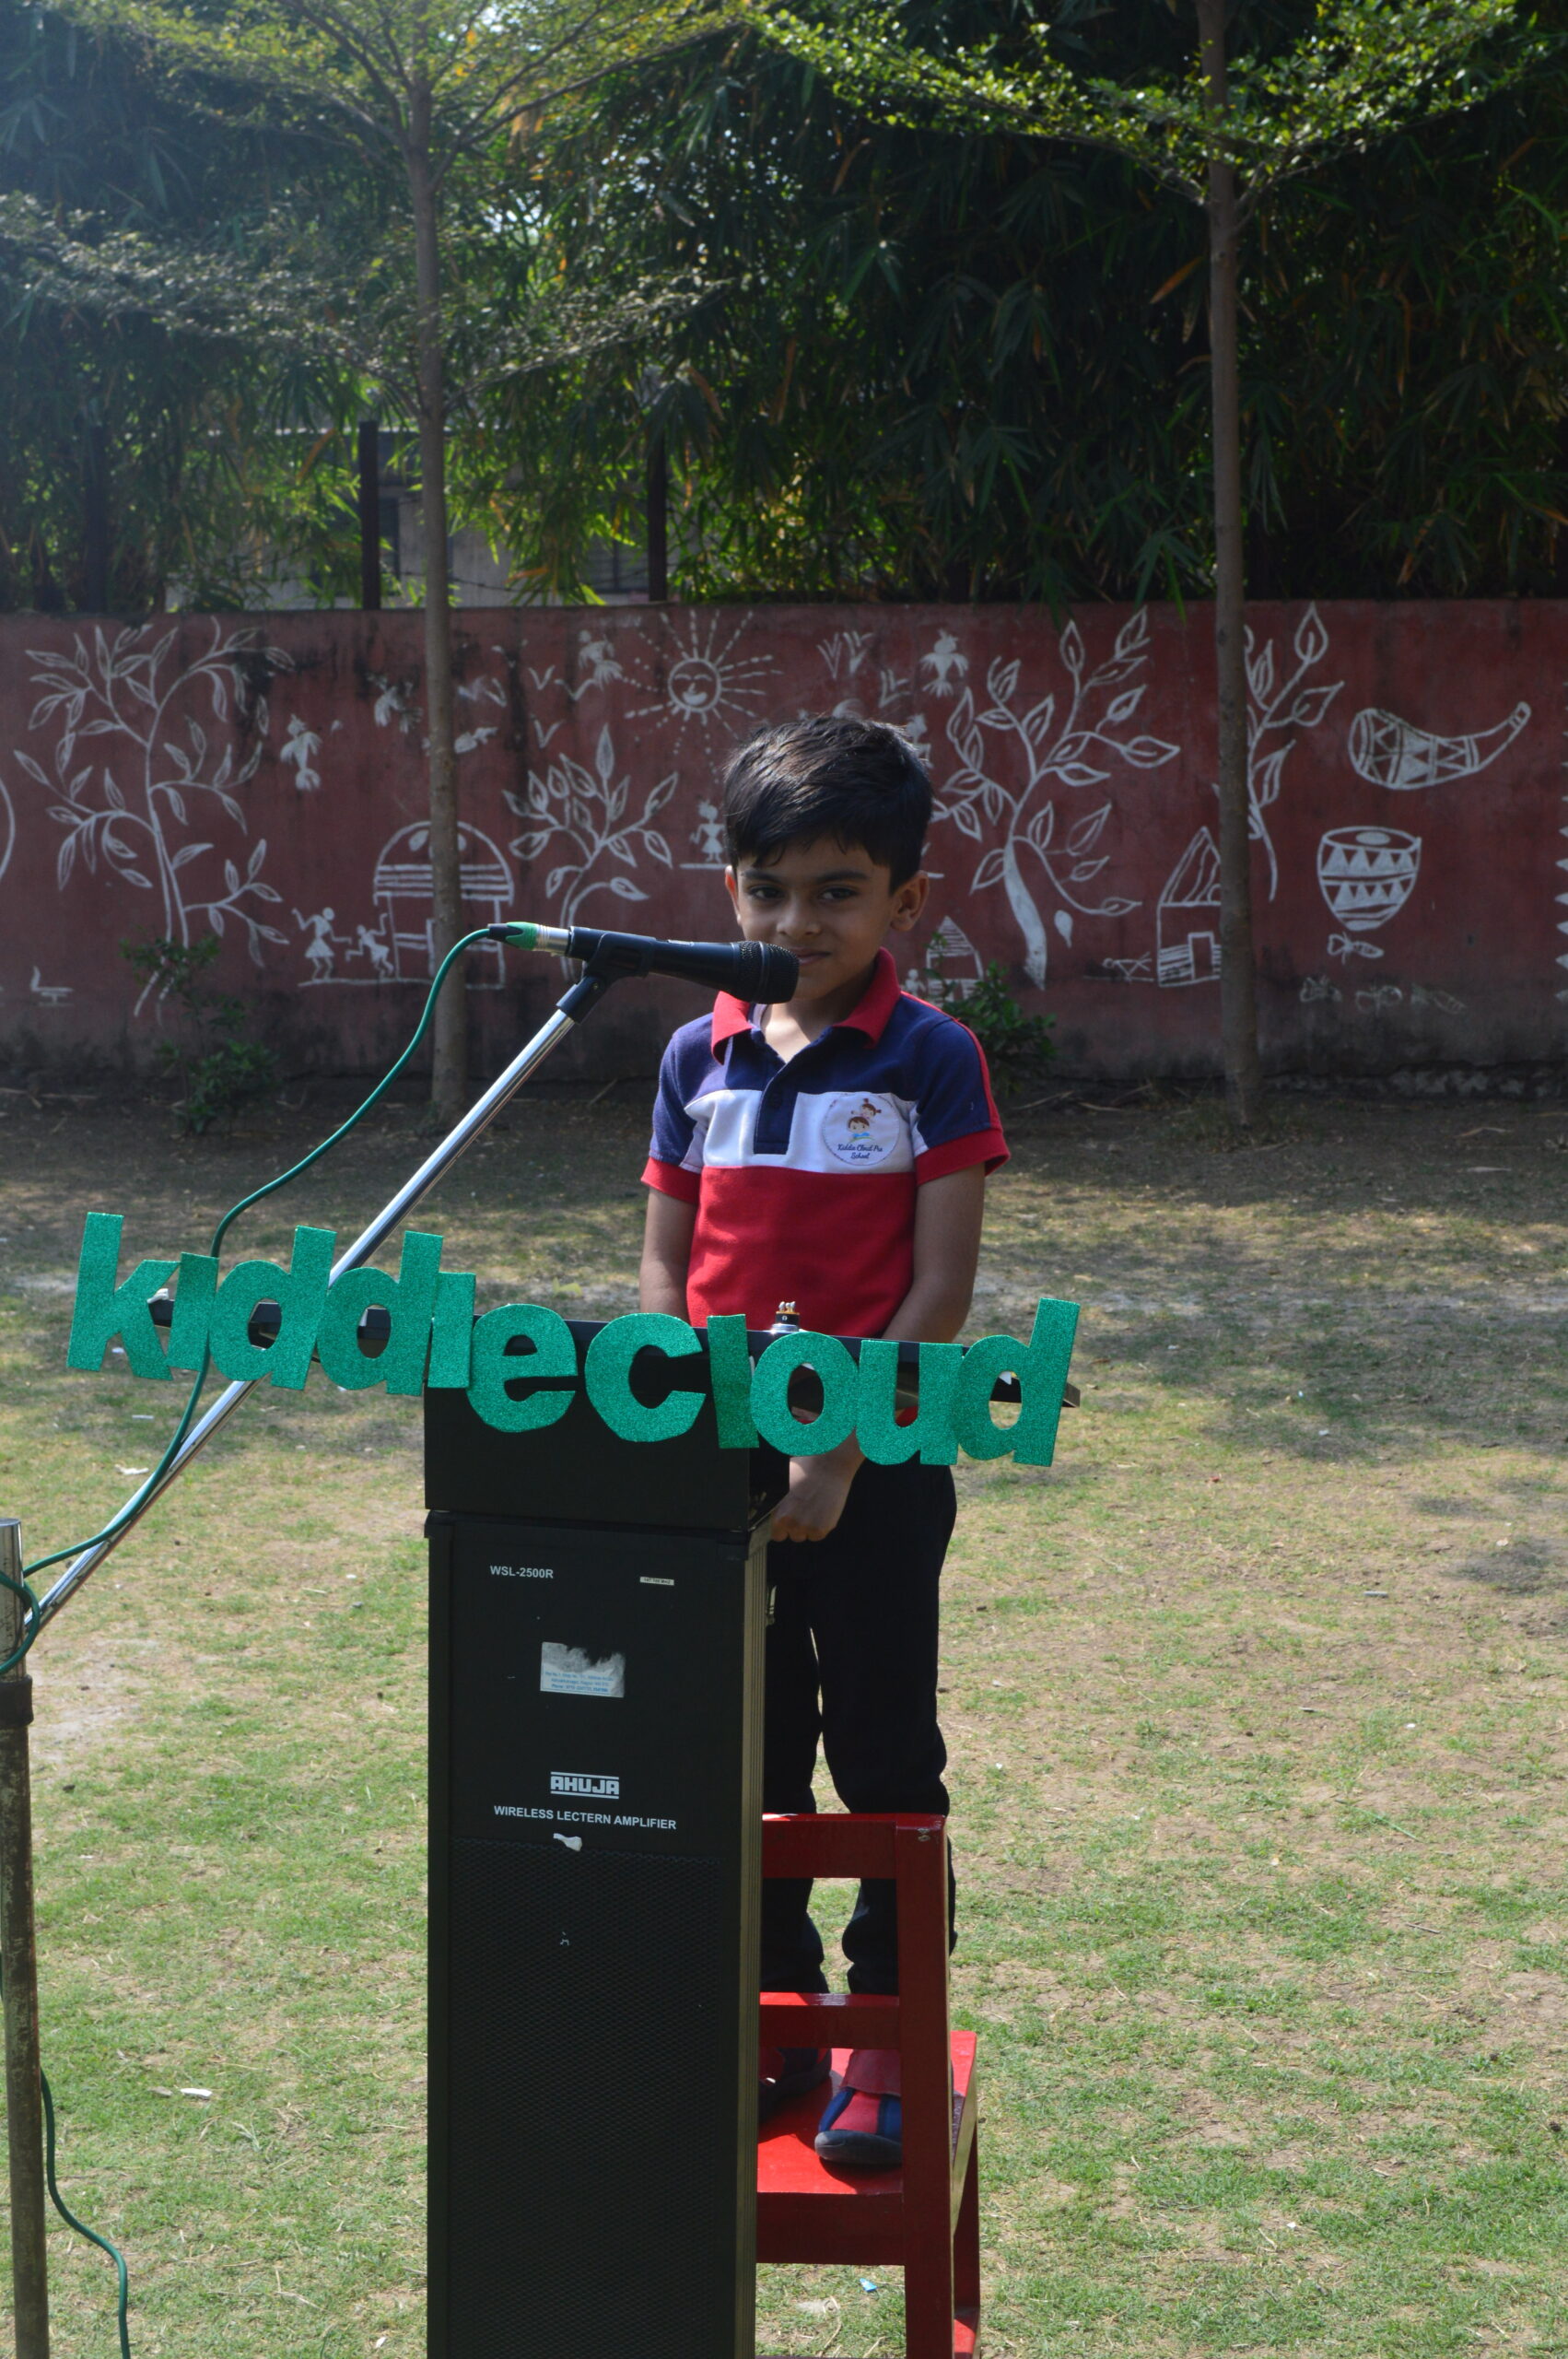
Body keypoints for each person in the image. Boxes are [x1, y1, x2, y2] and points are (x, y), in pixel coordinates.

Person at [638, 715, 1007, 2169]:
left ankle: (887, 2030)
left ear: (903, 901)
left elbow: (939, 1289)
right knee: (750, 1750)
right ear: (730, 890)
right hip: (724, 1469)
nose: (797, 923)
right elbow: (665, 1270)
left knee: (880, 1745)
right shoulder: (696, 1052)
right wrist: (679, 1428)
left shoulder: (930, 1057)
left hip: (878, 1465)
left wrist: (843, 1454)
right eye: (768, 889)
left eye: (836, 892)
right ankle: (776, 2013)